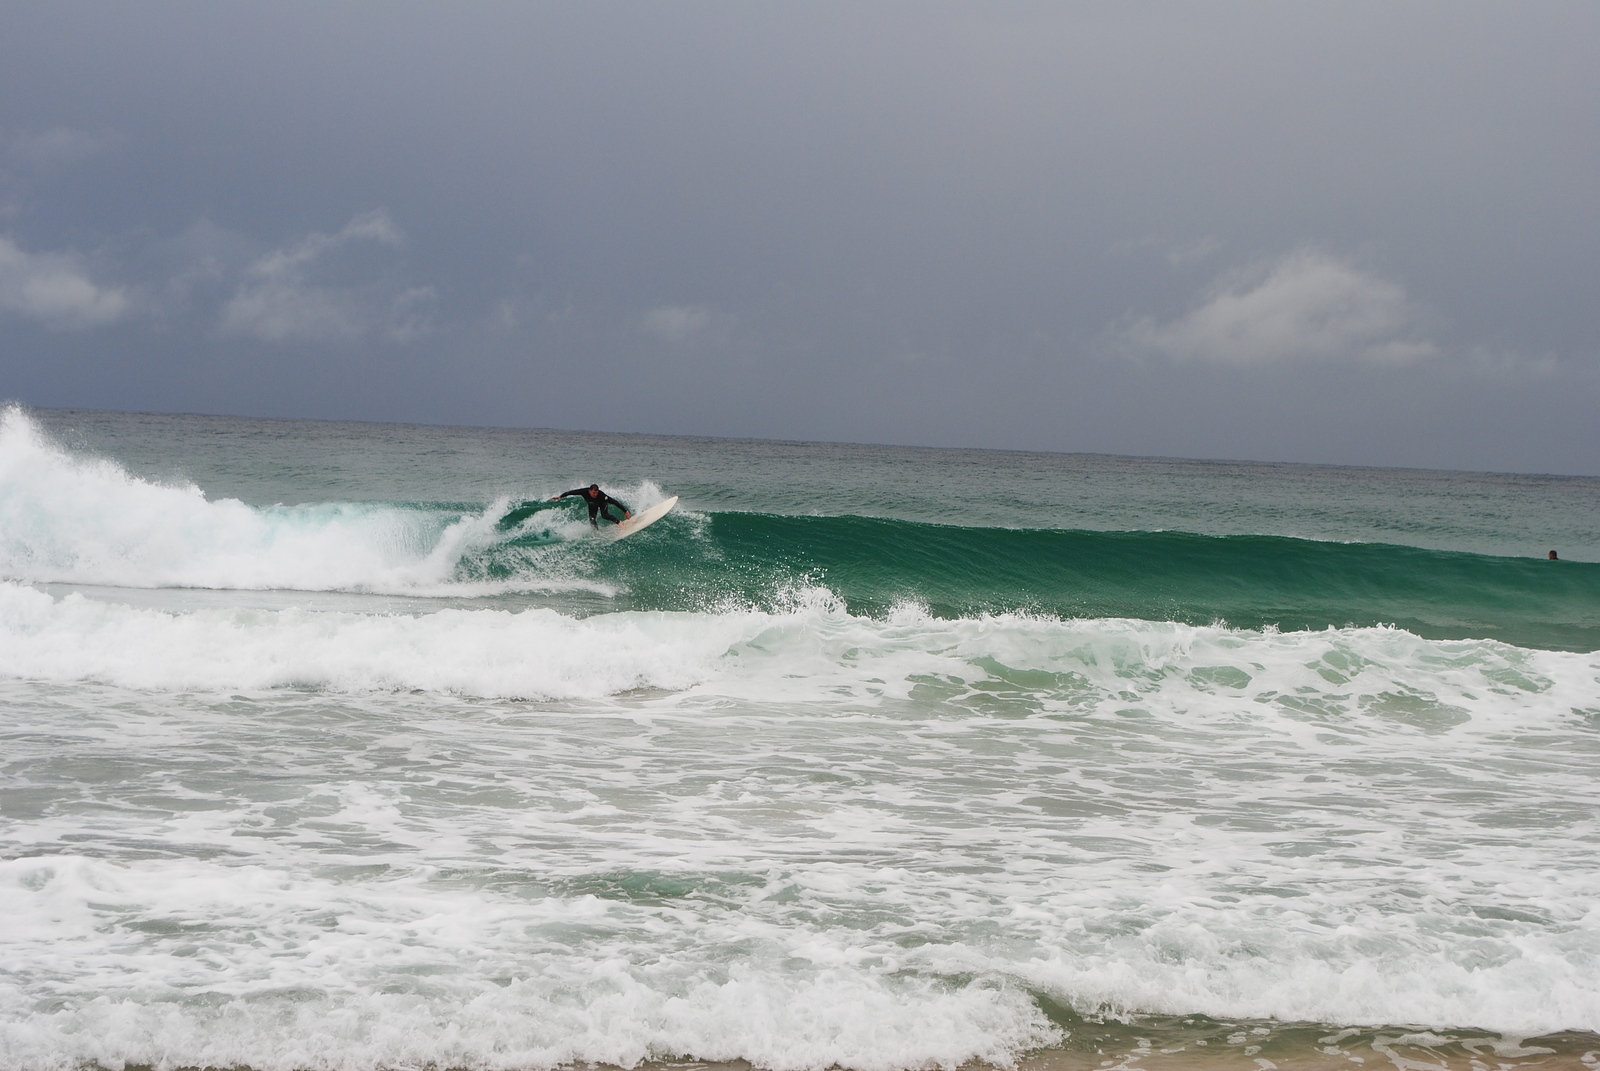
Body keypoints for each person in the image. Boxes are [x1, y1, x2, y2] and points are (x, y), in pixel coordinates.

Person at [552, 483, 632, 528]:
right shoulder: (584, 491)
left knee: (605, 515)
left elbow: (614, 502)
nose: (595, 494)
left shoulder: (601, 495)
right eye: (594, 493)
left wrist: (625, 511)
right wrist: (560, 496)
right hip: (592, 505)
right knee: (592, 520)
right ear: (589, 491)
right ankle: (596, 532)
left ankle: (619, 523)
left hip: (602, 503)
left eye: (596, 493)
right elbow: (571, 492)